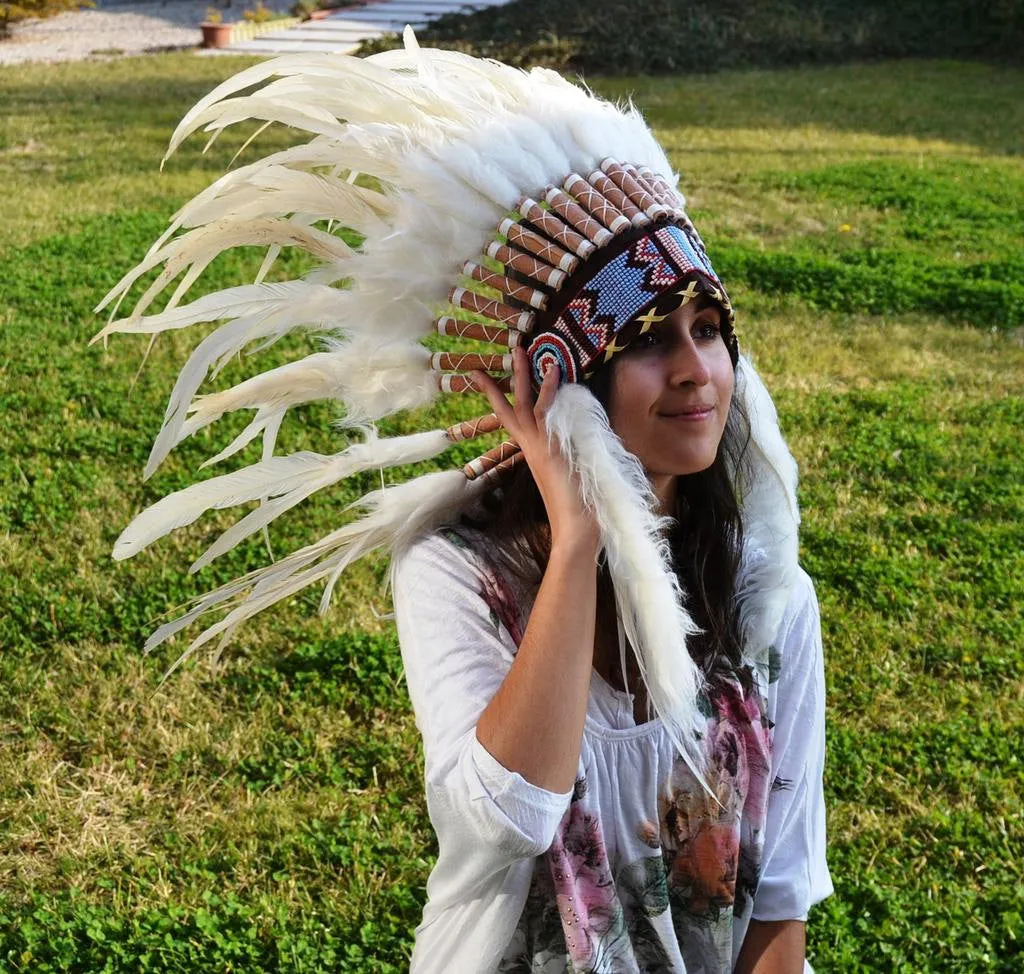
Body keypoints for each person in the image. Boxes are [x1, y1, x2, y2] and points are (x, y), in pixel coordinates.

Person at [98, 31, 831, 974]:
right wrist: (575, 544)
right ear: (567, 381)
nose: (698, 372)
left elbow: (778, 903)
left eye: (710, 330)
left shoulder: (769, 598)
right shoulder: (456, 570)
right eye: (651, 339)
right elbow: (510, 819)